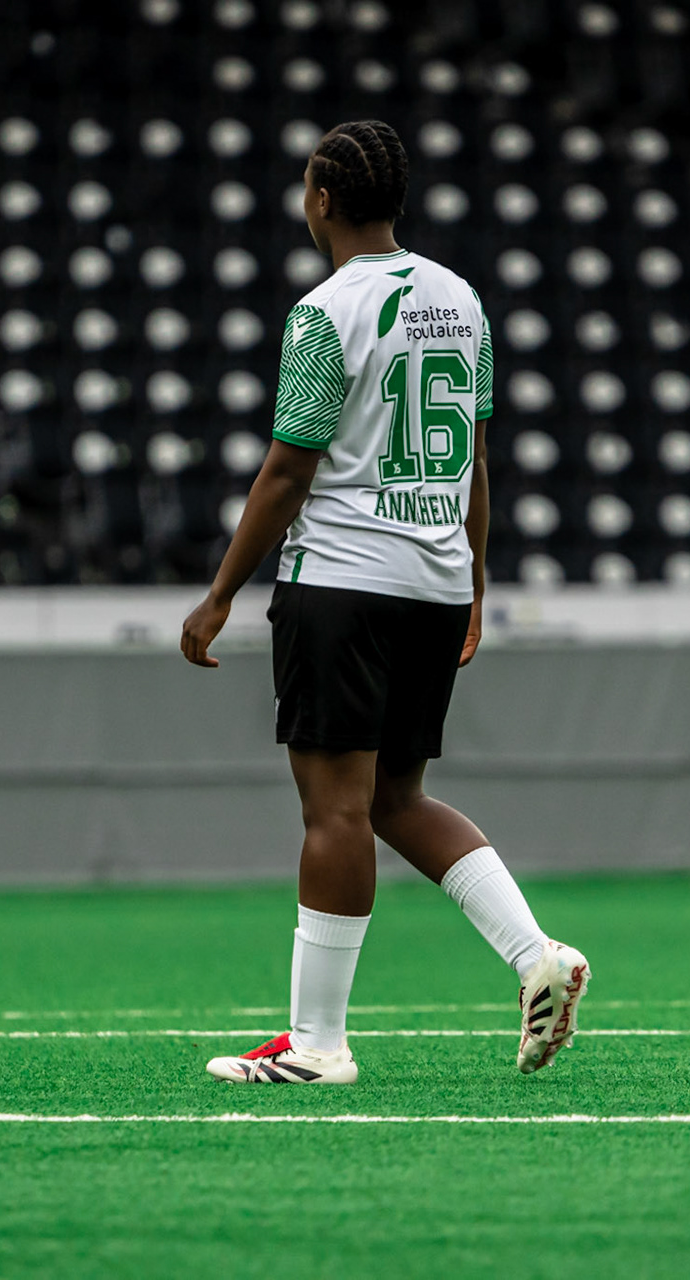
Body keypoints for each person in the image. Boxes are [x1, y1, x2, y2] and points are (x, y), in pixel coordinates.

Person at [181, 120, 589, 1084]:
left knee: (335, 812)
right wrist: (475, 583)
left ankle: (318, 1045)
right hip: (435, 582)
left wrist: (217, 597)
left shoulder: (325, 313)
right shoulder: (465, 303)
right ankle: (538, 957)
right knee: (397, 797)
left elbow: (288, 472)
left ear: (321, 197)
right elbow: (477, 462)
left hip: (344, 585)